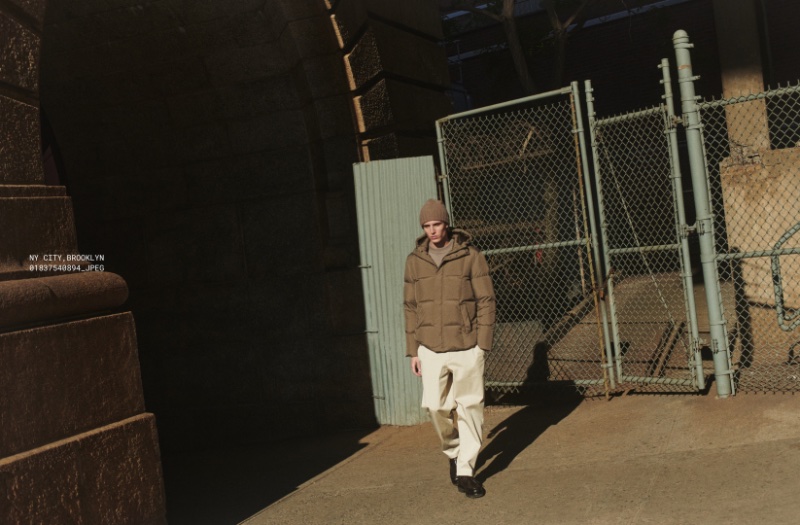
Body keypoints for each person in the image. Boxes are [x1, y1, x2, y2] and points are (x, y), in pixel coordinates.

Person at [403, 198, 496, 499]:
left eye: (437, 224)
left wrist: (482, 345)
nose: (432, 230)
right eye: (427, 226)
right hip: (430, 349)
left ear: (447, 224)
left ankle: (467, 470)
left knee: (470, 408)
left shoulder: (470, 256)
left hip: (467, 346)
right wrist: (413, 350)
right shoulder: (414, 261)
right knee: (435, 407)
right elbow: (410, 306)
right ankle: (454, 452)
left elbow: (486, 300)